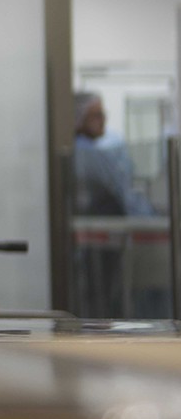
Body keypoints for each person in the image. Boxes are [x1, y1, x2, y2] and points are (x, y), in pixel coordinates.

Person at [73, 91, 155, 318]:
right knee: (105, 300)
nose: (103, 120)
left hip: (95, 244)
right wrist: (153, 222)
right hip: (100, 244)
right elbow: (125, 194)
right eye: (96, 115)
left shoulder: (83, 150)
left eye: (103, 114)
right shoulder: (89, 154)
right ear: (79, 118)